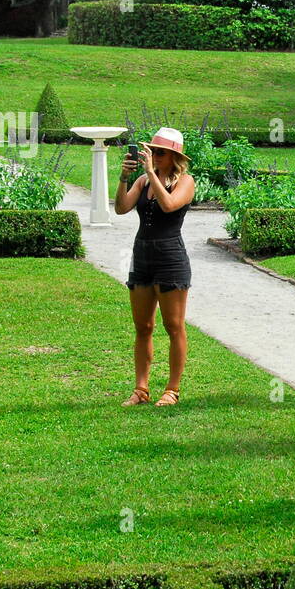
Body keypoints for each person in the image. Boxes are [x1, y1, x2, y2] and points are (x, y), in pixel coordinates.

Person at [114, 127, 196, 408]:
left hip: (171, 257)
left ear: (173, 156)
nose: (154, 156)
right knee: (143, 326)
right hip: (142, 256)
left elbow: (171, 204)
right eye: (152, 151)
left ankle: (172, 389)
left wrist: (151, 174)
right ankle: (141, 388)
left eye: (160, 152)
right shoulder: (142, 181)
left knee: (173, 325)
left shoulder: (185, 181)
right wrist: (125, 178)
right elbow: (121, 208)